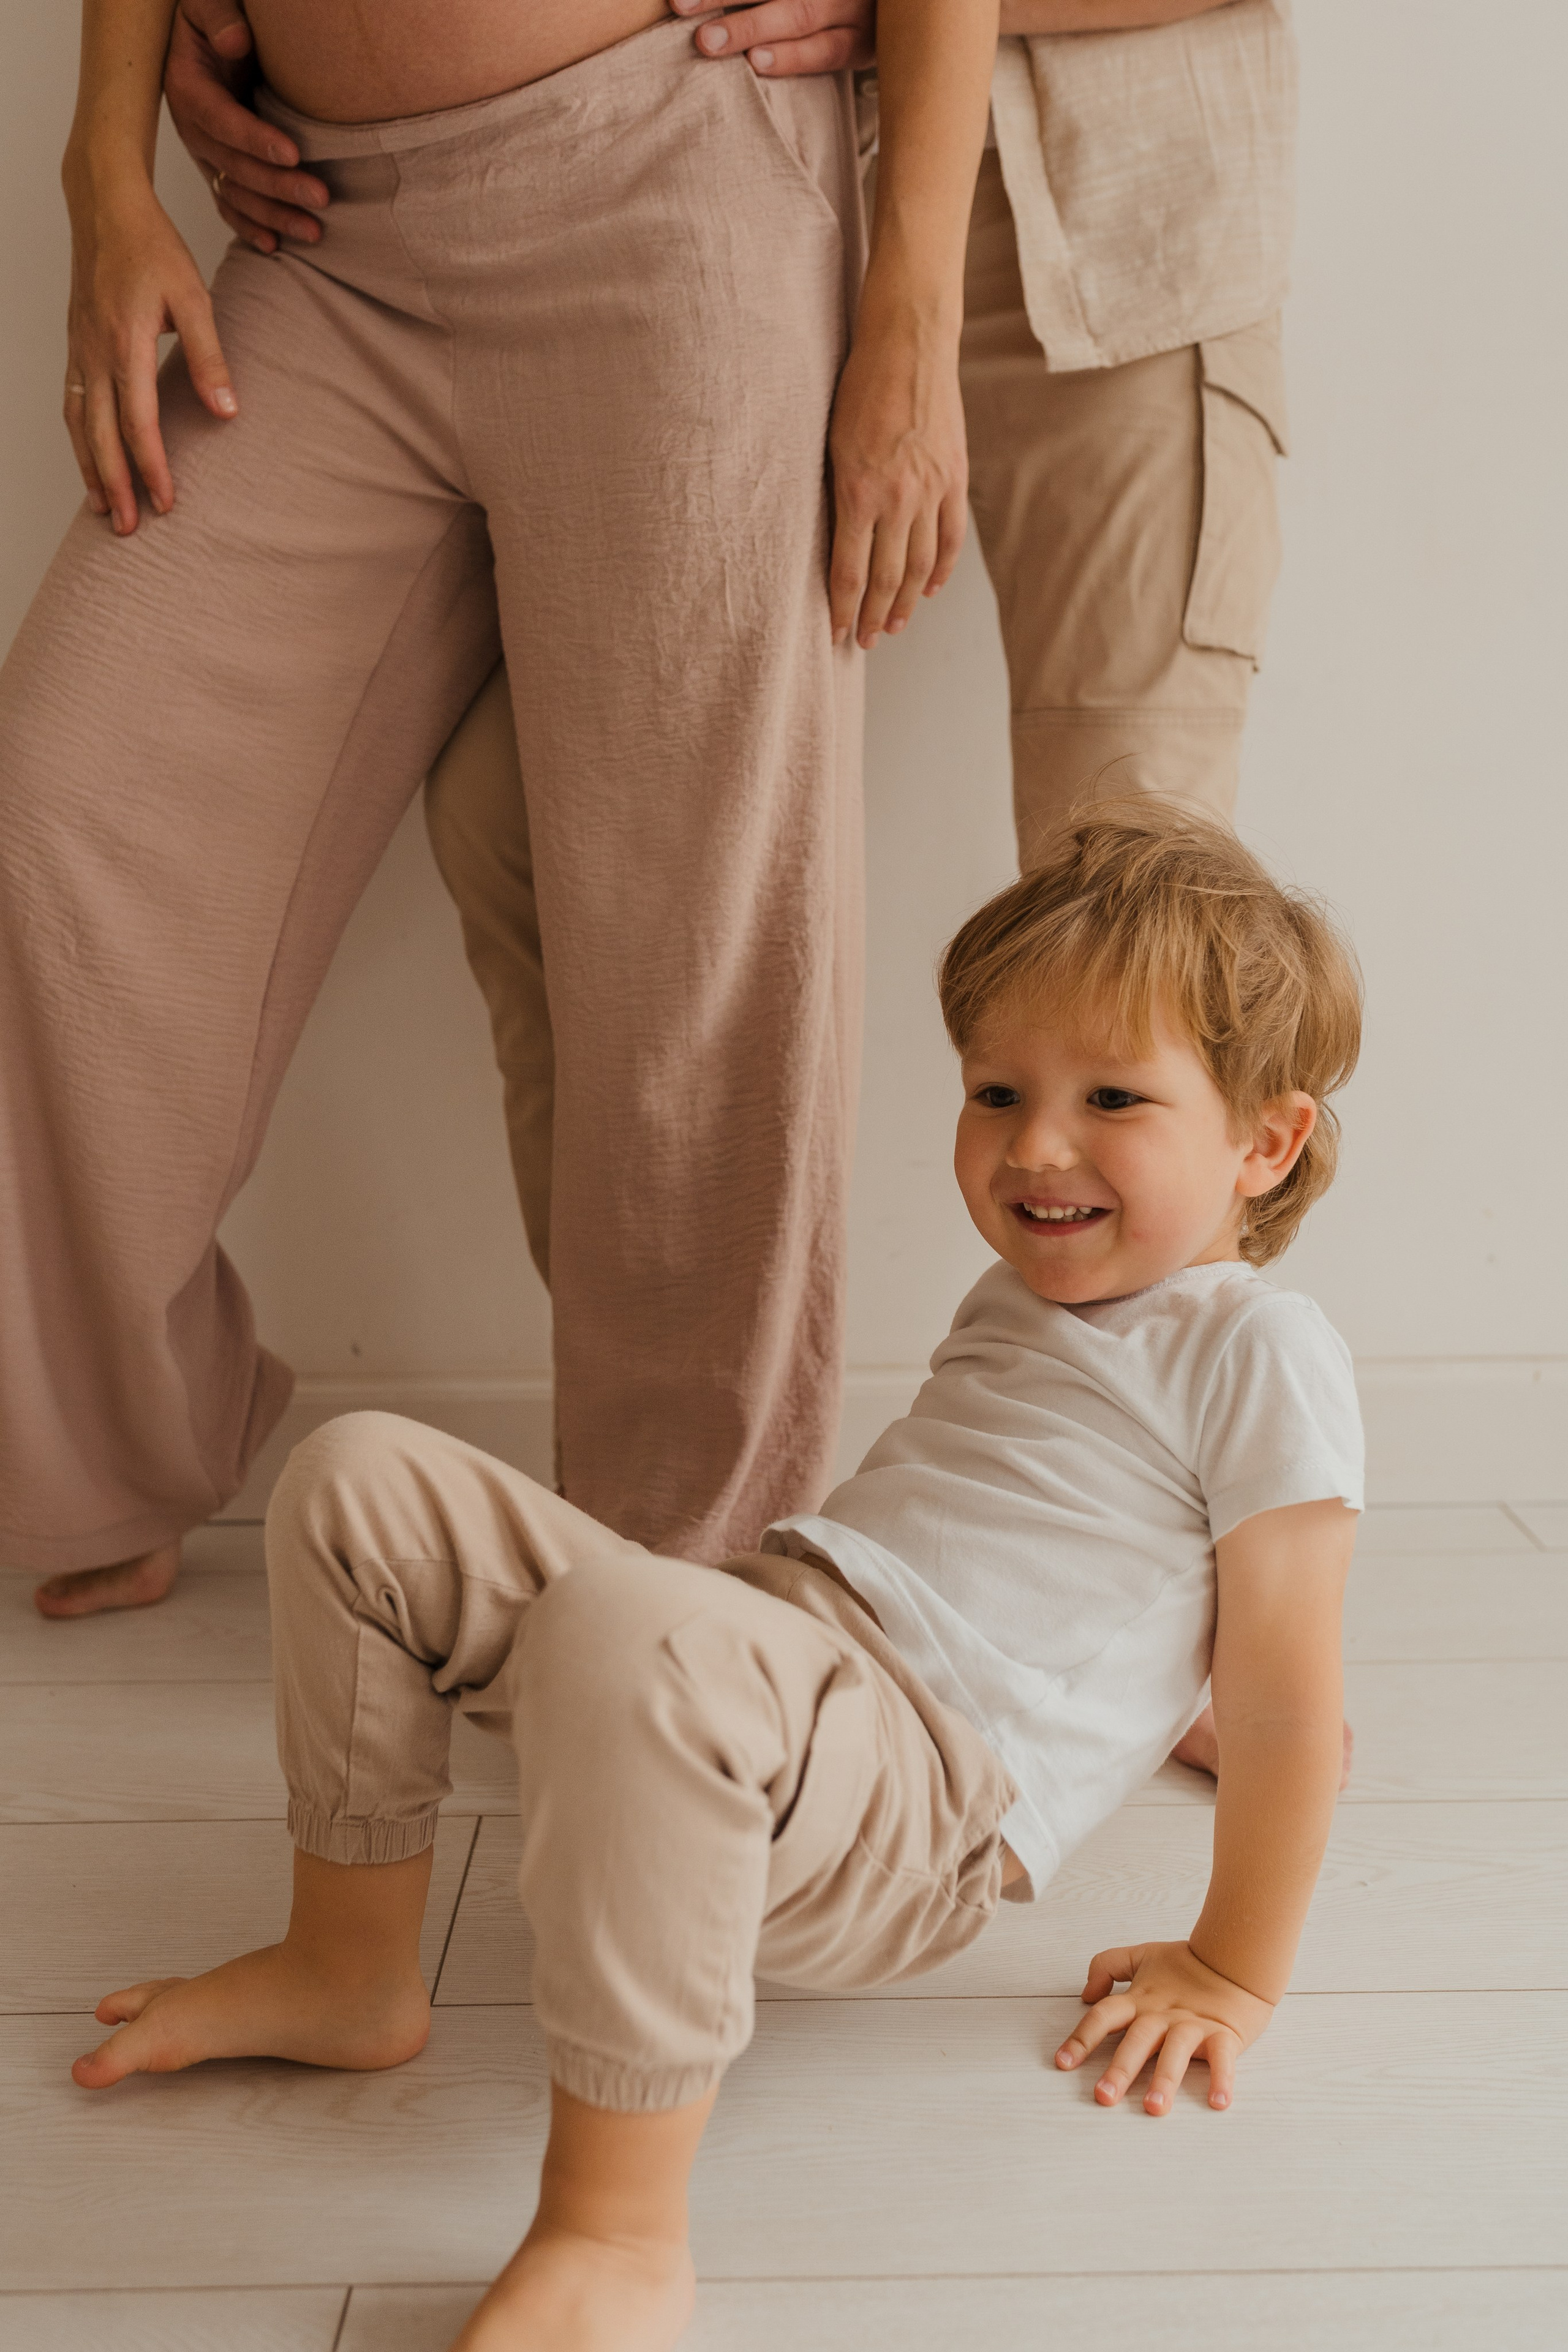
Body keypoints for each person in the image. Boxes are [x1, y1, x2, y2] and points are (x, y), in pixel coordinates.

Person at [72, 801, 1362, 2352]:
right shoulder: (1015, 1302)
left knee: (643, 1622)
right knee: (360, 1481)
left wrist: (1228, 1969)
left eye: (1110, 1097)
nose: (1033, 1146)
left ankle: (616, 2234)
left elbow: (1289, 1709)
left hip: (919, 1798)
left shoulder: (1256, 1345)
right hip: (775, 1652)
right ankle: (347, 1968)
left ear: (1263, 1140)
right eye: (995, 1091)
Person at [159, 0, 1296, 1580]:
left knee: (1157, 968)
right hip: (751, 216)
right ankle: (665, 1500)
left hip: (1117, 243)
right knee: (525, 839)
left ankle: (1191, 1569)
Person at [2, 0, 998, 1617]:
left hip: (672, 178)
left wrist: (911, 313)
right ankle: (107, 1435)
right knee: (63, 804)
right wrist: (102, 172)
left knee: (699, 932)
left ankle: (694, 1585)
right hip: (319, 228)